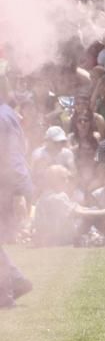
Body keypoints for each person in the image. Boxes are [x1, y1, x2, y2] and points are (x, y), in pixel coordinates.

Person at [1, 69, 33, 308]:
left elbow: (13, 158)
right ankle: (16, 280)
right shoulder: (6, 113)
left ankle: (6, 293)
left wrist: (19, 193)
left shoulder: (2, 116)